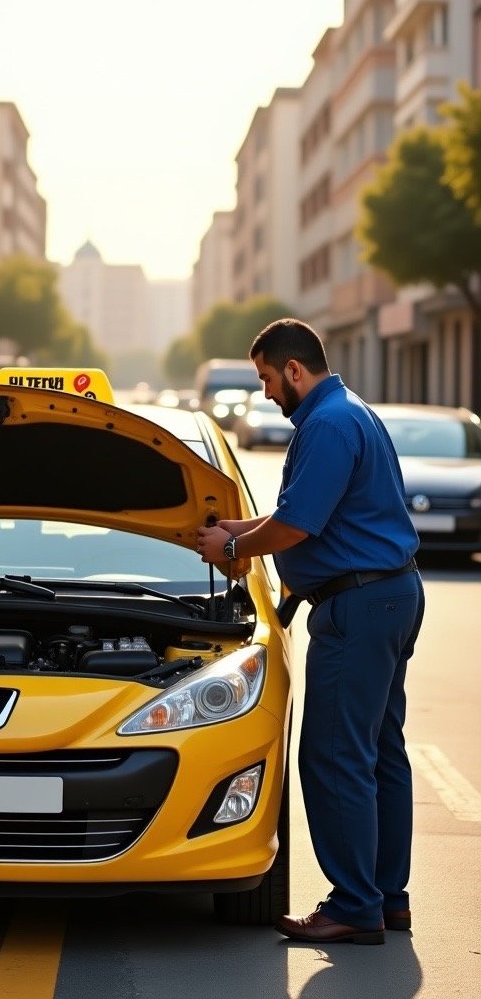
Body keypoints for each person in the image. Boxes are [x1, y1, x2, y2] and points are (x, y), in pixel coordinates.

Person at [196, 318, 425, 946]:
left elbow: (297, 527)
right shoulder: (350, 412)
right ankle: (385, 897)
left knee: (332, 755)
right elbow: (308, 515)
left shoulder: (325, 425)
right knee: (378, 753)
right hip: (386, 594)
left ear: (294, 369)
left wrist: (236, 544)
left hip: (357, 607)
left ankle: (354, 904)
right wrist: (243, 524)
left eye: (268, 378)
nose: (267, 392)